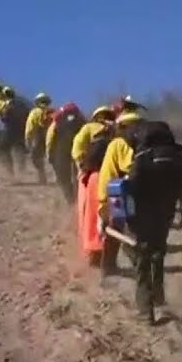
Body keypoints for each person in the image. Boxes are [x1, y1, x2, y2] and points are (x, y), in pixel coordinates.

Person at [107, 119, 182, 323]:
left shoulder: (141, 156)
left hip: (142, 212)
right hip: (166, 211)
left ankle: (146, 311)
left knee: (141, 256)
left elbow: (130, 187)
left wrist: (120, 214)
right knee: (158, 251)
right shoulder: (176, 156)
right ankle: (159, 295)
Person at [95, 111, 144, 278]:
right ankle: (139, 266)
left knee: (115, 230)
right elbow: (131, 168)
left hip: (114, 193)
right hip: (126, 194)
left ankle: (108, 267)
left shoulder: (116, 143)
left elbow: (110, 173)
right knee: (129, 230)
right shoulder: (131, 144)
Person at [74, 106, 117, 265]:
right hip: (115, 179)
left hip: (94, 176)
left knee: (90, 214)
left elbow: (76, 148)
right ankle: (111, 253)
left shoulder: (89, 129)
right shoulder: (117, 133)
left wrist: (80, 164)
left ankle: (93, 250)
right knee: (114, 216)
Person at [46, 102, 85, 204]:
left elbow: (50, 137)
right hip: (80, 151)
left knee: (63, 177)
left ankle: (70, 199)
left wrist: (49, 153)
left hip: (61, 150)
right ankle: (79, 199)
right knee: (79, 176)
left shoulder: (57, 120)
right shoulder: (82, 120)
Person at [24, 92, 52, 185]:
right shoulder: (52, 112)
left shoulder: (35, 112)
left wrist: (28, 139)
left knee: (36, 158)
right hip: (50, 137)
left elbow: (30, 127)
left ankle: (42, 178)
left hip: (38, 137)